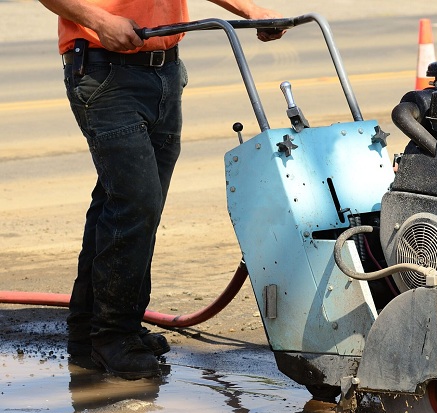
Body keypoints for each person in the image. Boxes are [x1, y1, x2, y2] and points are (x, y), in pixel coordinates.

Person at [39, 0, 285, 379]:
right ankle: (112, 337)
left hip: (164, 70)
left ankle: (92, 331)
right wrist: (101, 20)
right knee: (135, 203)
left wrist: (249, 10)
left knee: (124, 203)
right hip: (105, 67)